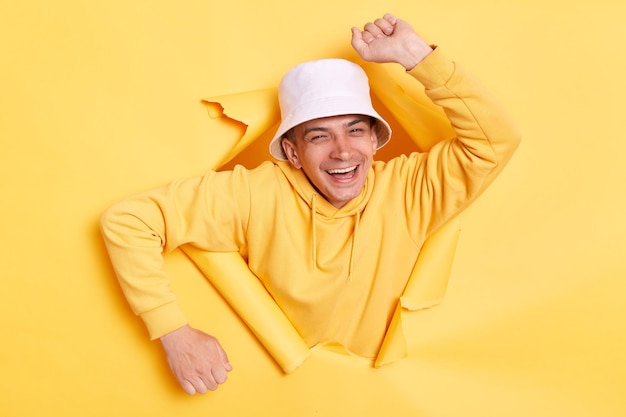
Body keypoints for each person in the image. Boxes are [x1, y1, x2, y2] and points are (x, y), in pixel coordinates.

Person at [100, 13, 521, 395]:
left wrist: (416, 55)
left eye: (355, 130)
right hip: (281, 397)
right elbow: (129, 221)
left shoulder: (411, 189)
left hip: (385, 397)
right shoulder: (254, 194)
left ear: (375, 140)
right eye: (319, 136)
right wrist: (174, 332)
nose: (342, 151)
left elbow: (495, 141)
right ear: (293, 152)